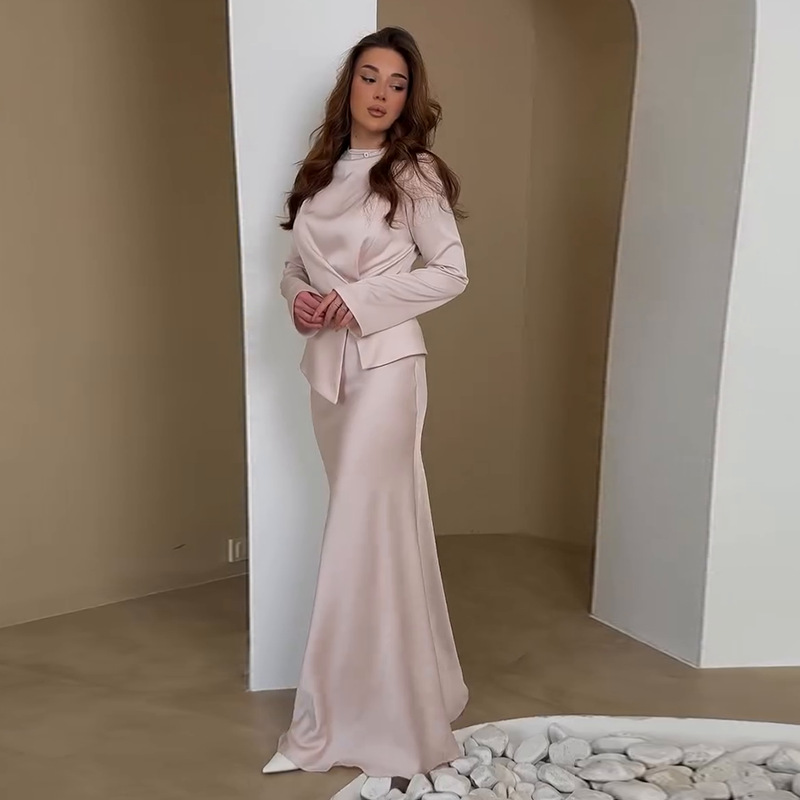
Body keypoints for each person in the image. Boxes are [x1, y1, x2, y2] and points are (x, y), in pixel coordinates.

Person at [263, 26, 470, 780]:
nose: (382, 93)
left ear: (410, 98)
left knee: (360, 534)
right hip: (331, 374)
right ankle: (407, 689)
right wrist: (299, 298)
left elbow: (451, 271)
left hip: (385, 368)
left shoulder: (412, 172)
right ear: (348, 84)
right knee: (380, 533)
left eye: (397, 83)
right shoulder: (321, 171)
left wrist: (356, 299)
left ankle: (358, 720)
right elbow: (295, 265)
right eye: (370, 77)